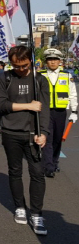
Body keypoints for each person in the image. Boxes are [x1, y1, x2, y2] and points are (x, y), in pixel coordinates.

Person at [0, 45, 50, 235]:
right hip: (11, 132)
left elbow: (45, 109)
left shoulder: (39, 79)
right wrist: (28, 105)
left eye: (24, 65)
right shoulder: (4, 77)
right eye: (16, 66)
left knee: (37, 173)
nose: (21, 69)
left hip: (33, 134)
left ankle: (36, 213)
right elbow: (1, 105)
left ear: (30, 61)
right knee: (15, 171)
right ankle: (20, 206)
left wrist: (43, 132)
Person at [39, 48, 77, 178]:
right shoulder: (40, 75)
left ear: (59, 61)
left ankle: (55, 162)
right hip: (45, 111)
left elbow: (72, 94)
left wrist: (74, 111)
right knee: (48, 138)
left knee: (57, 138)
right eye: (50, 60)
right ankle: (48, 166)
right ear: (46, 62)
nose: (53, 62)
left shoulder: (67, 76)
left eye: (55, 59)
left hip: (61, 112)